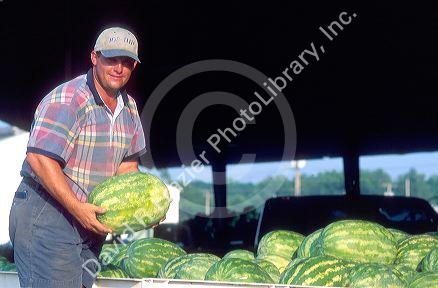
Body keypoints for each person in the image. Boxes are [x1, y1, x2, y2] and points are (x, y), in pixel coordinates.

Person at [9, 27, 146, 288]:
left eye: (126, 62)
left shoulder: (129, 108)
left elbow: (127, 167)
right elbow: (40, 160)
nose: (119, 68)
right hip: (48, 214)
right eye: (111, 59)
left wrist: (145, 206)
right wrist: (77, 210)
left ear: (134, 67)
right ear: (94, 57)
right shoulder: (68, 99)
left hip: (87, 219)